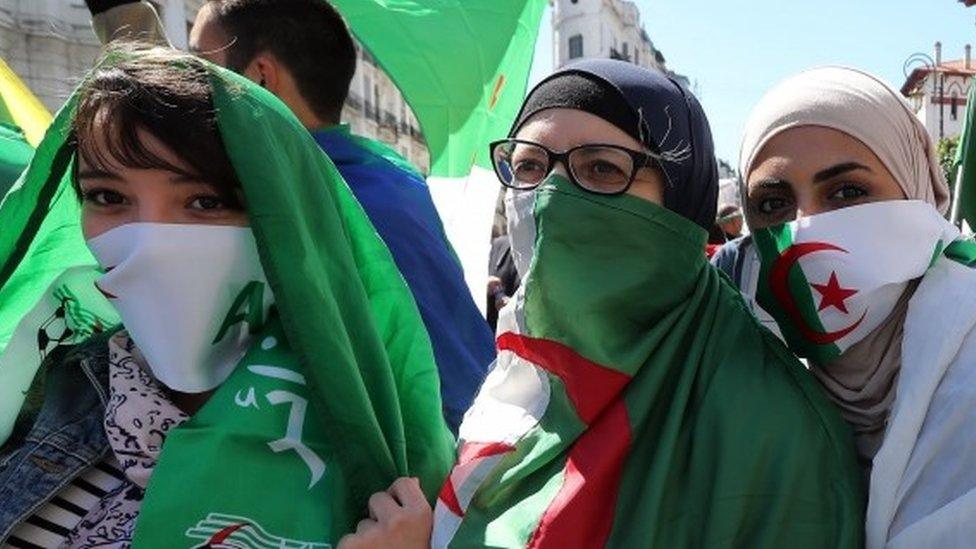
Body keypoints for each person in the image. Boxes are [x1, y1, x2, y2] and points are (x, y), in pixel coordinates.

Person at [339, 59, 864, 549]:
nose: (550, 196)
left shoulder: (771, 427)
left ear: (681, 202)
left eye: (602, 170)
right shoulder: (520, 375)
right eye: (528, 166)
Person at [0, 45, 453, 547]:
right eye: (108, 197)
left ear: (283, 219)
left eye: (205, 201)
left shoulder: (374, 439)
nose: (149, 242)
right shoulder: (33, 383)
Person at [85, 0, 495, 432]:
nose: (192, 85)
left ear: (260, 77)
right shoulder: (391, 176)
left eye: (204, 67)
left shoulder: (302, 199)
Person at [731, 66, 976, 548]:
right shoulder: (747, 380)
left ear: (916, 190)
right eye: (774, 204)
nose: (806, 228)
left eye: (847, 193)